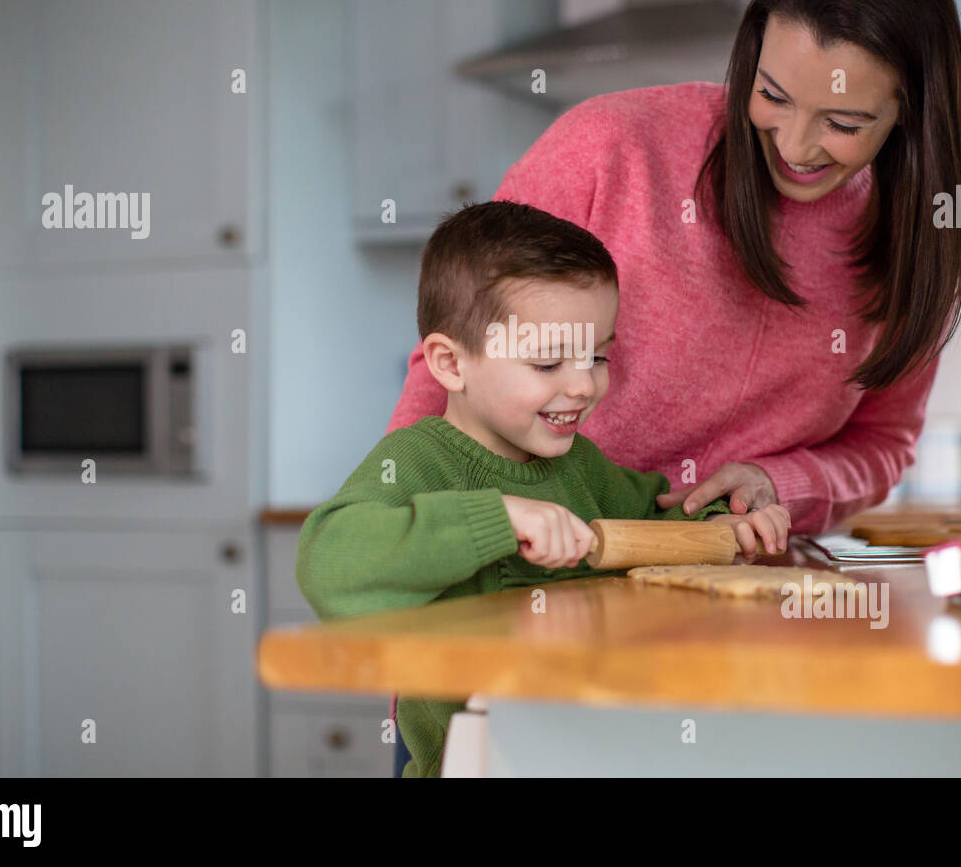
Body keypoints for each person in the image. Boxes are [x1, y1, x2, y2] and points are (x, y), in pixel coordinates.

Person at [387, 0, 961, 537]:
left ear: (908, 115)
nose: (794, 146)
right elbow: (450, 363)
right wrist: (396, 525)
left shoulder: (917, 240)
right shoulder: (605, 148)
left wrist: (780, 480)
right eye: (773, 95)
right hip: (538, 566)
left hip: (736, 589)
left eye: (842, 121)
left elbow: (883, 445)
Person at [296, 201, 791, 778]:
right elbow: (326, 562)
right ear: (451, 364)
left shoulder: (582, 467)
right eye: (548, 362)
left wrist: (719, 527)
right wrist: (496, 519)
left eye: (598, 355)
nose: (583, 384)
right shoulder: (416, 461)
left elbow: (655, 524)